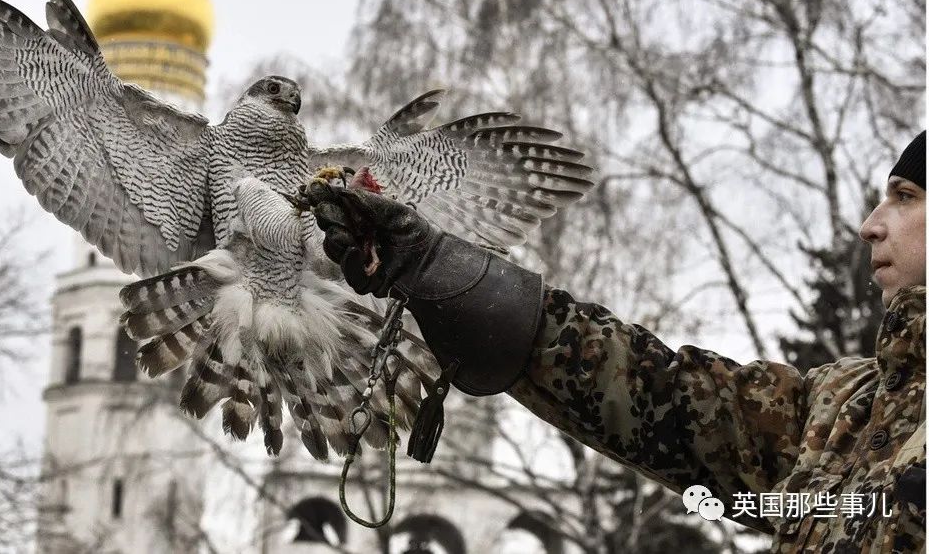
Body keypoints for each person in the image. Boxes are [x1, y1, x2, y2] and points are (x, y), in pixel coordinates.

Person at [305, 131, 926, 553]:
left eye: (905, 197)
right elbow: (669, 399)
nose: (871, 224)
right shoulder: (843, 405)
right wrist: (445, 272)